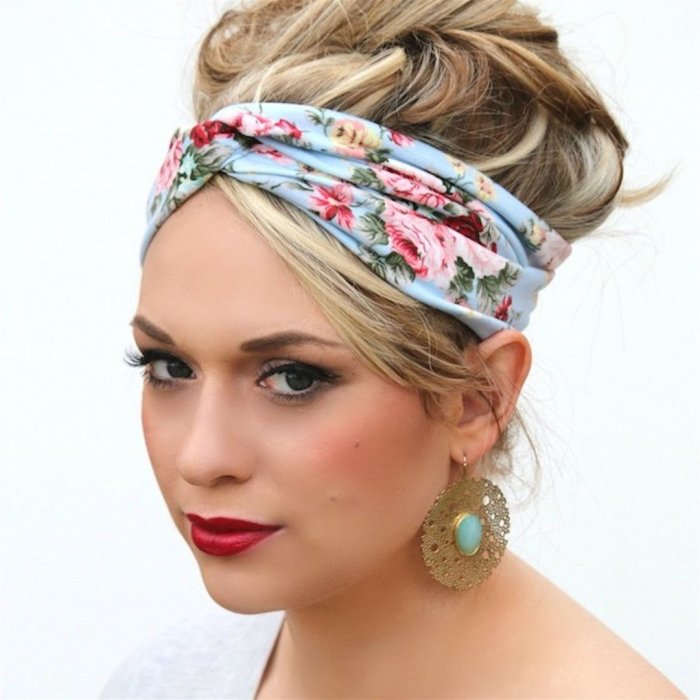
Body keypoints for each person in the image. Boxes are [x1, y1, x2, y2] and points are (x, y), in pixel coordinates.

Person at [102, 0, 684, 697]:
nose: (201, 458)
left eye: (292, 378)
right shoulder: (163, 681)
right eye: (169, 367)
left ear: (477, 399)